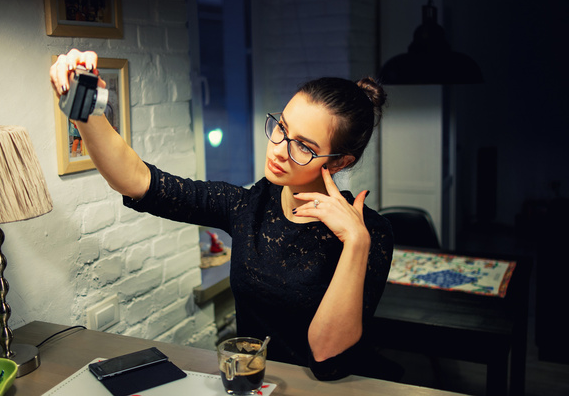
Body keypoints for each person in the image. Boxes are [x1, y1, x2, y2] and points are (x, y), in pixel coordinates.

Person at [50, 49, 393, 381]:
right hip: (255, 384)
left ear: (339, 161)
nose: (279, 149)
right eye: (281, 128)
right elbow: (140, 182)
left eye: (303, 146)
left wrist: (356, 243)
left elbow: (326, 360)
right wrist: (86, 112)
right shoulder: (250, 206)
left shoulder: (370, 233)